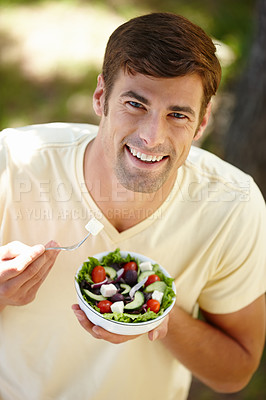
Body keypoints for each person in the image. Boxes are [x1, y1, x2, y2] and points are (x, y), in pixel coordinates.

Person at [0, 12, 265, 400]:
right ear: (100, 97)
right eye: (135, 105)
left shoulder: (233, 205)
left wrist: (157, 314)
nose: (151, 137)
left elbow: (236, 371)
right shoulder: (12, 163)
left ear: (202, 121)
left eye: (178, 115)